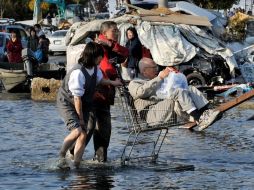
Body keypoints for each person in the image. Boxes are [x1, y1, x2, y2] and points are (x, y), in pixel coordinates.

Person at [57, 42, 122, 168]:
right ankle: (62, 154)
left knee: (83, 134)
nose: (101, 60)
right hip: (68, 102)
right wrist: (81, 119)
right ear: (93, 56)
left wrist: (113, 83)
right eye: (100, 57)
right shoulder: (78, 72)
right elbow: (77, 99)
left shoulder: (95, 68)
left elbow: (100, 80)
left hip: (83, 102)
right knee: (77, 130)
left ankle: (76, 164)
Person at [128, 58, 221, 131]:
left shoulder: (156, 80)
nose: (157, 69)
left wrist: (172, 74)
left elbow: (170, 90)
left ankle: (207, 112)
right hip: (152, 115)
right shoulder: (135, 83)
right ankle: (199, 118)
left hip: (165, 109)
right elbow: (140, 93)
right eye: (154, 68)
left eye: (157, 67)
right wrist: (160, 77)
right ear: (144, 71)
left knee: (189, 88)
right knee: (177, 92)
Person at [84, 21, 129, 162]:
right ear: (104, 33)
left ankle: (100, 160)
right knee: (89, 128)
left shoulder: (110, 47)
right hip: (93, 94)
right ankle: (72, 154)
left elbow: (126, 53)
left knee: (105, 131)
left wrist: (111, 45)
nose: (116, 32)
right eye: (113, 30)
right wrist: (116, 78)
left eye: (117, 30)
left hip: (106, 96)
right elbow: (106, 68)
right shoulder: (98, 47)